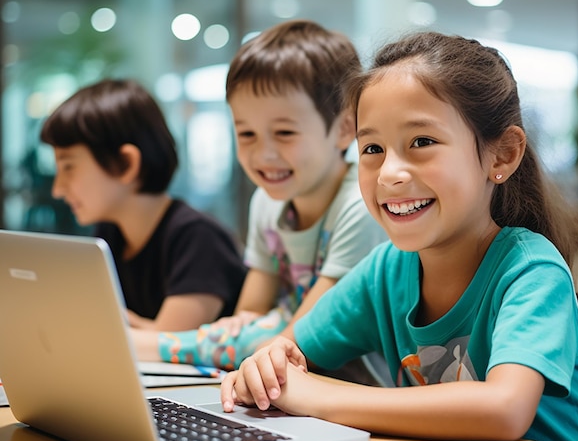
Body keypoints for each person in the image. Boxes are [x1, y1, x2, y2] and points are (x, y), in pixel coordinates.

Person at [220, 30, 578, 441]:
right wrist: (263, 368)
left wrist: (317, 396)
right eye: (373, 148)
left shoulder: (531, 270)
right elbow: (285, 355)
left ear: (502, 155)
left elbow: (504, 409)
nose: (389, 174)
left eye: (421, 142)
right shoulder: (385, 271)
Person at [133, 19, 389, 379]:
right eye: (246, 134)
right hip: (283, 364)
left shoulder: (360, 206)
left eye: (284, 132)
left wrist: (178, 341)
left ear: (345, 128)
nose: (263, 154)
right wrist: (235, 329)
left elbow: (306, 334)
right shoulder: (267, 202)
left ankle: (142, 346)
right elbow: (249, 312)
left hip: (348, 371)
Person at [40, 78, 247, 331]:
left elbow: (169, 347)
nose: (58, 188)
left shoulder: (198, 239)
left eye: (68, 167)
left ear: (126, 163)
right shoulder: (109, 233)